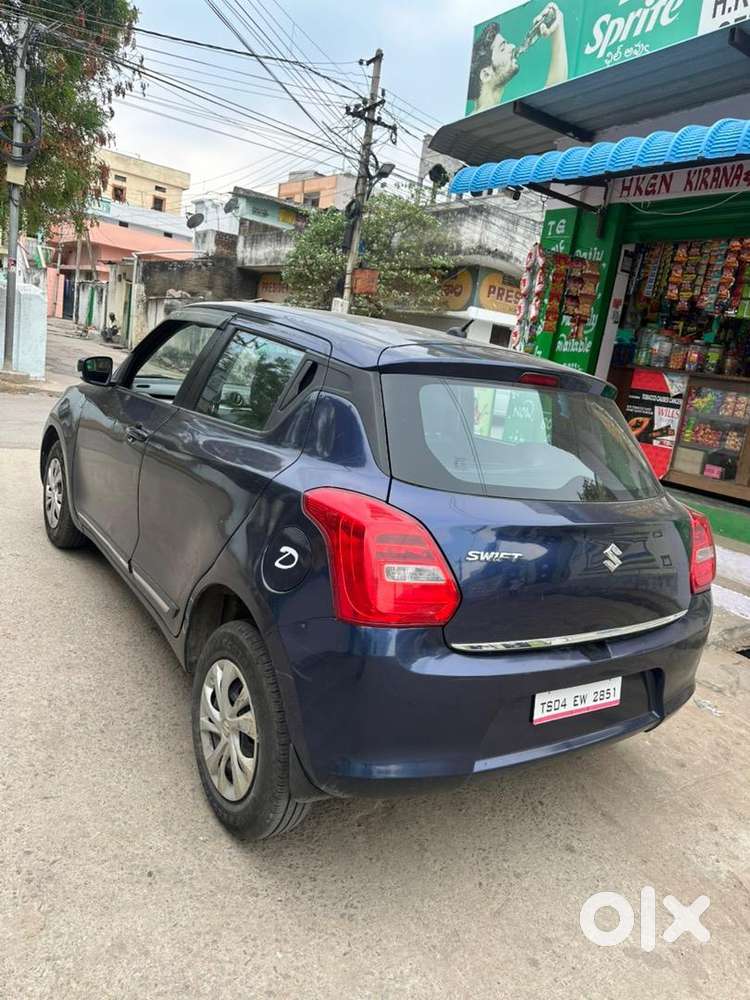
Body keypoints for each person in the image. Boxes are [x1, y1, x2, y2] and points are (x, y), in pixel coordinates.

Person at [469, 3, 568, 113]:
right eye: (502, 48)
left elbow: (553, 95)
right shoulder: (487, 119)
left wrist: (557, 27)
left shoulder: (493, 116)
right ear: (486, 75)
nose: (512, 46)